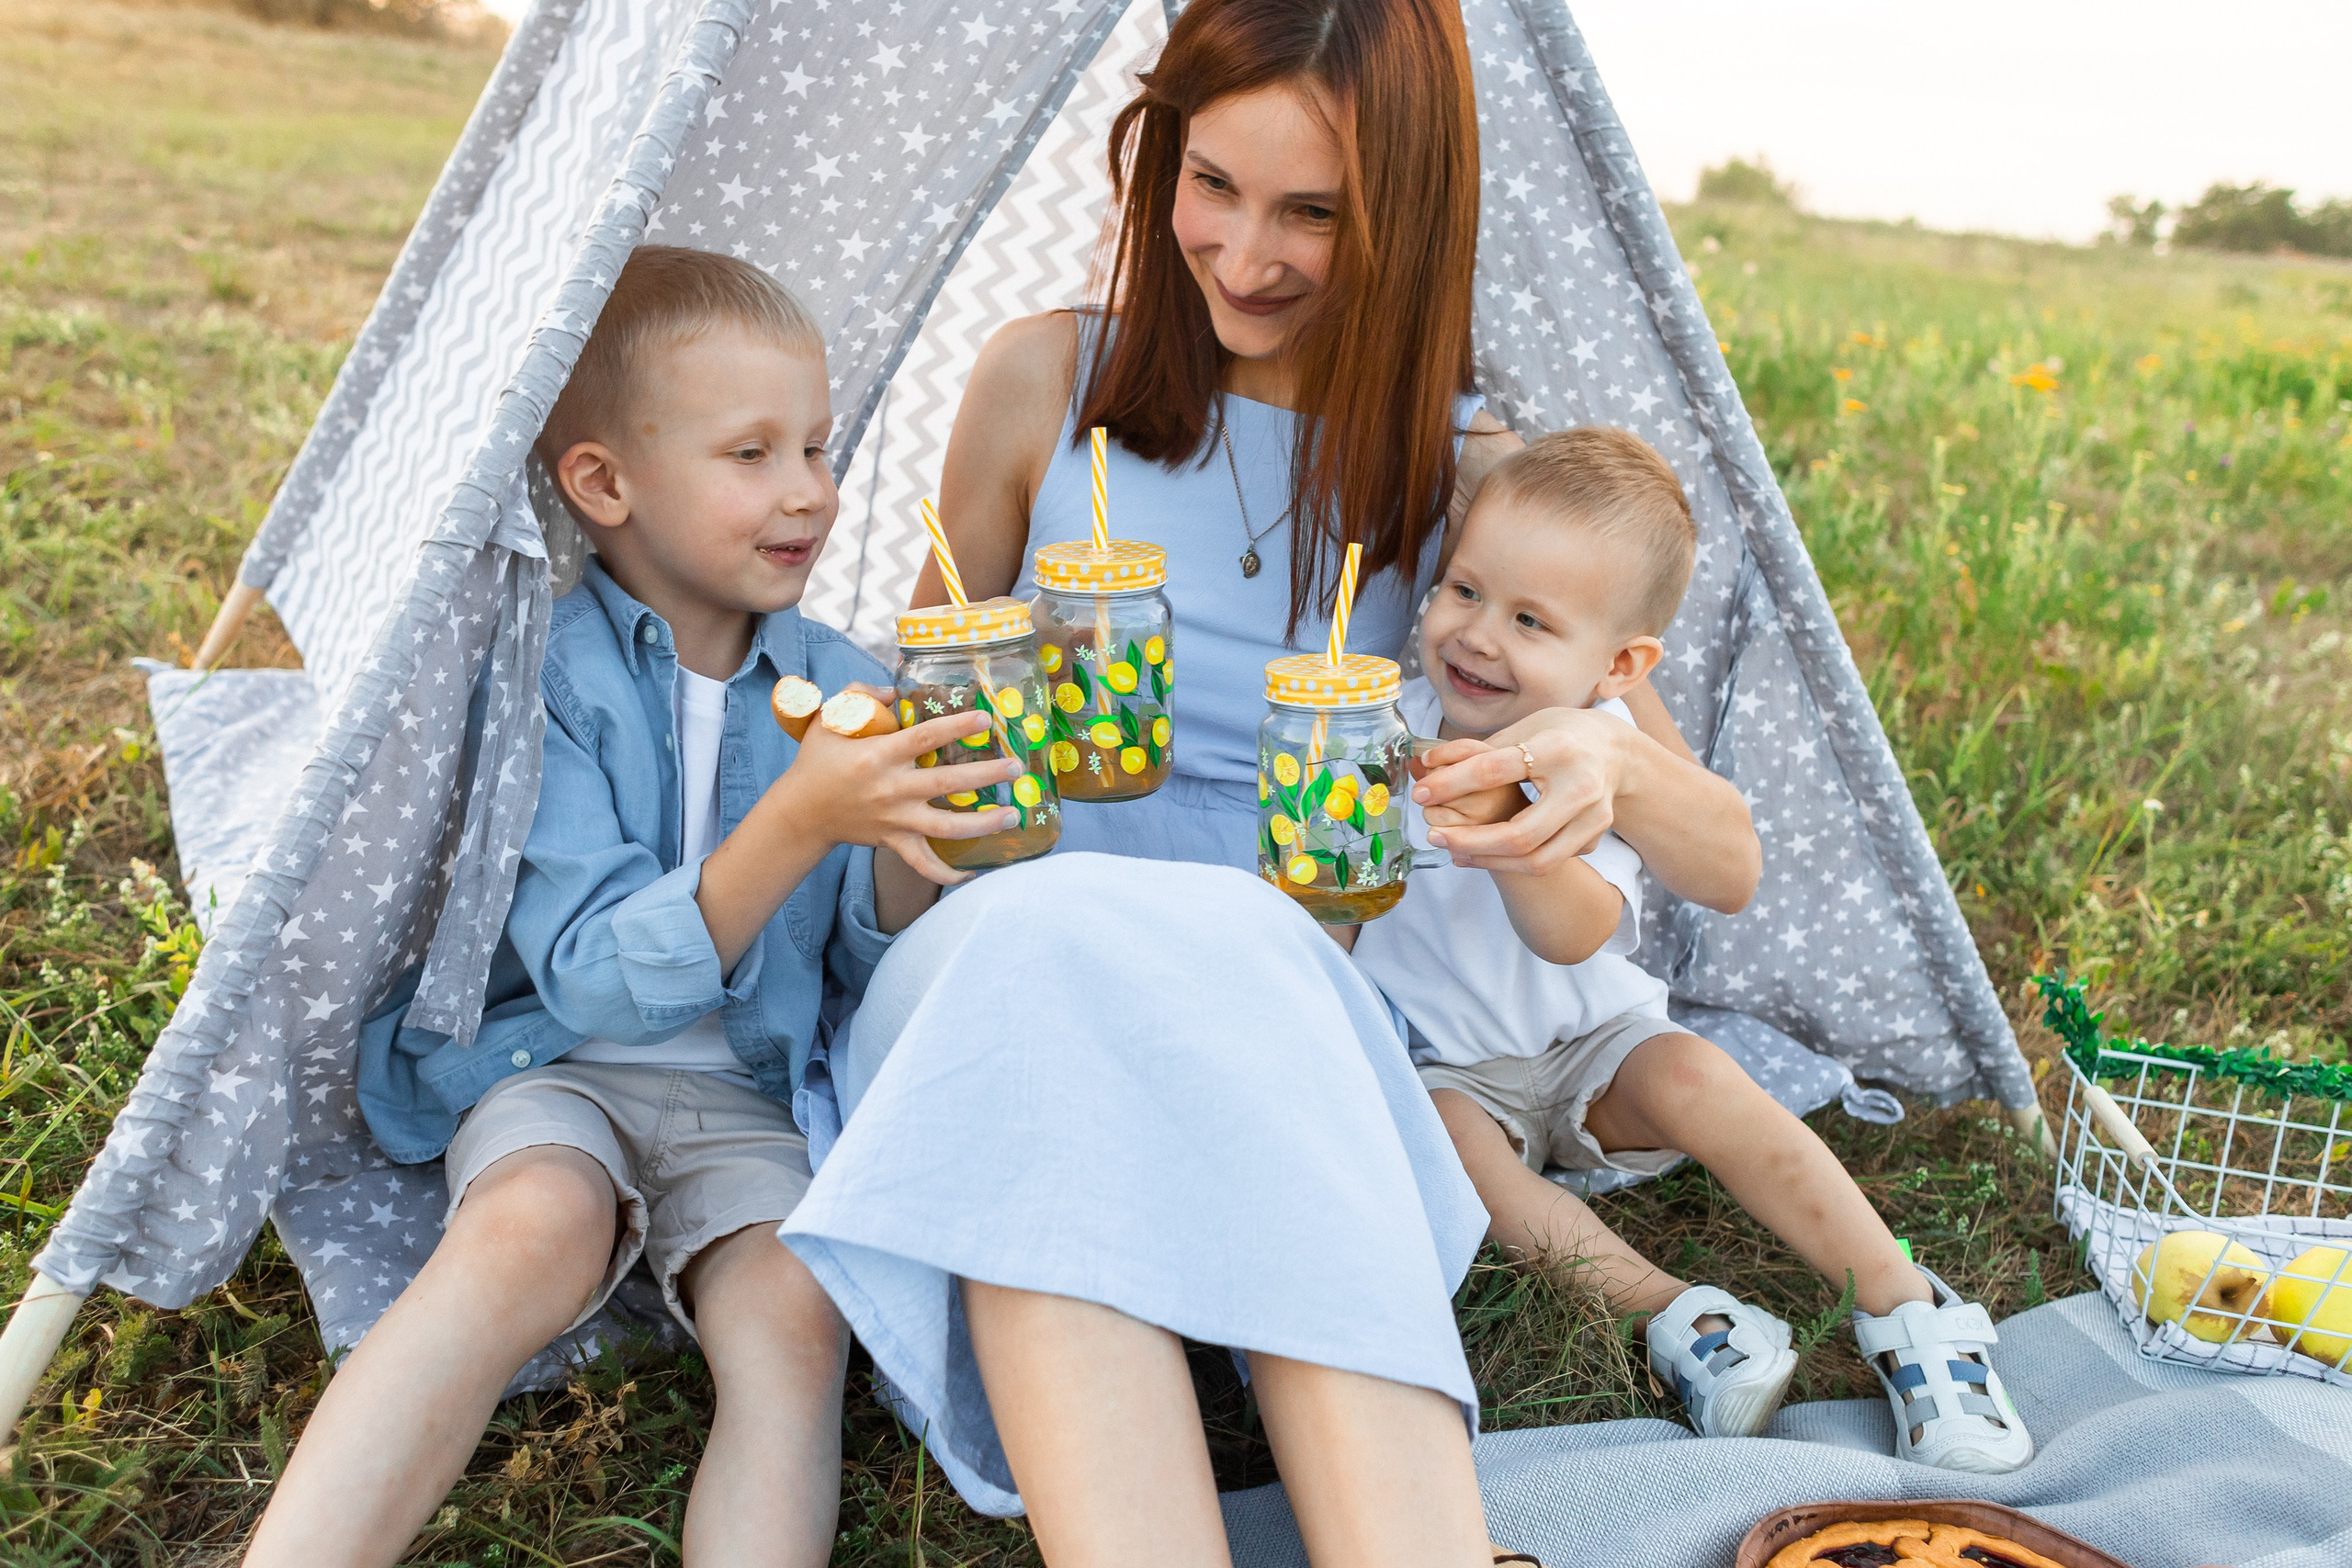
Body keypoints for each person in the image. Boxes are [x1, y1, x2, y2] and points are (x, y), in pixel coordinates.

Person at [777, 3, 1762, 1564]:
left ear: (1407, 220)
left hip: (1273, 996)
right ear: (1157, 155)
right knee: (1061, 962)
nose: (1242, 257)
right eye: (1212, 184)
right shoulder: (1043, 383)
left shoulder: (1461, 478)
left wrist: (1599, 756)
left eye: (1312, 212)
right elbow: (911, 807)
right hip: (998, 960)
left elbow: (1725, 863)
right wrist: (922, 788)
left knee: (1224, 967)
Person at [243, 248, 1017, 1567]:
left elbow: (860, 962)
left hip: (753, 1098)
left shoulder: (843, 679)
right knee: (525, 1233)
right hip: (560, 1065)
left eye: (820, 447)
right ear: (605, 483)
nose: (809, 492)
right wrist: (802, 817)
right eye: (752, 453)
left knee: (794, 1315)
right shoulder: (548, 675)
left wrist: (917, 836)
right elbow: (593, 975)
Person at [1351, 427, 2037, 1473]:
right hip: (1447, 1072)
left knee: (1698, 1074)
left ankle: (1911, 1311)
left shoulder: (1602, 757)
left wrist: (1504, 824)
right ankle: (1686, 1322)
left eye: (1530, 620)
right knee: (1449, 1150)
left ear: (1617, 666)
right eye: (1463, 592)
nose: (1477, 637)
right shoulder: (1382, 732)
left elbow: (1574, 929)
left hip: (1594, 1045)